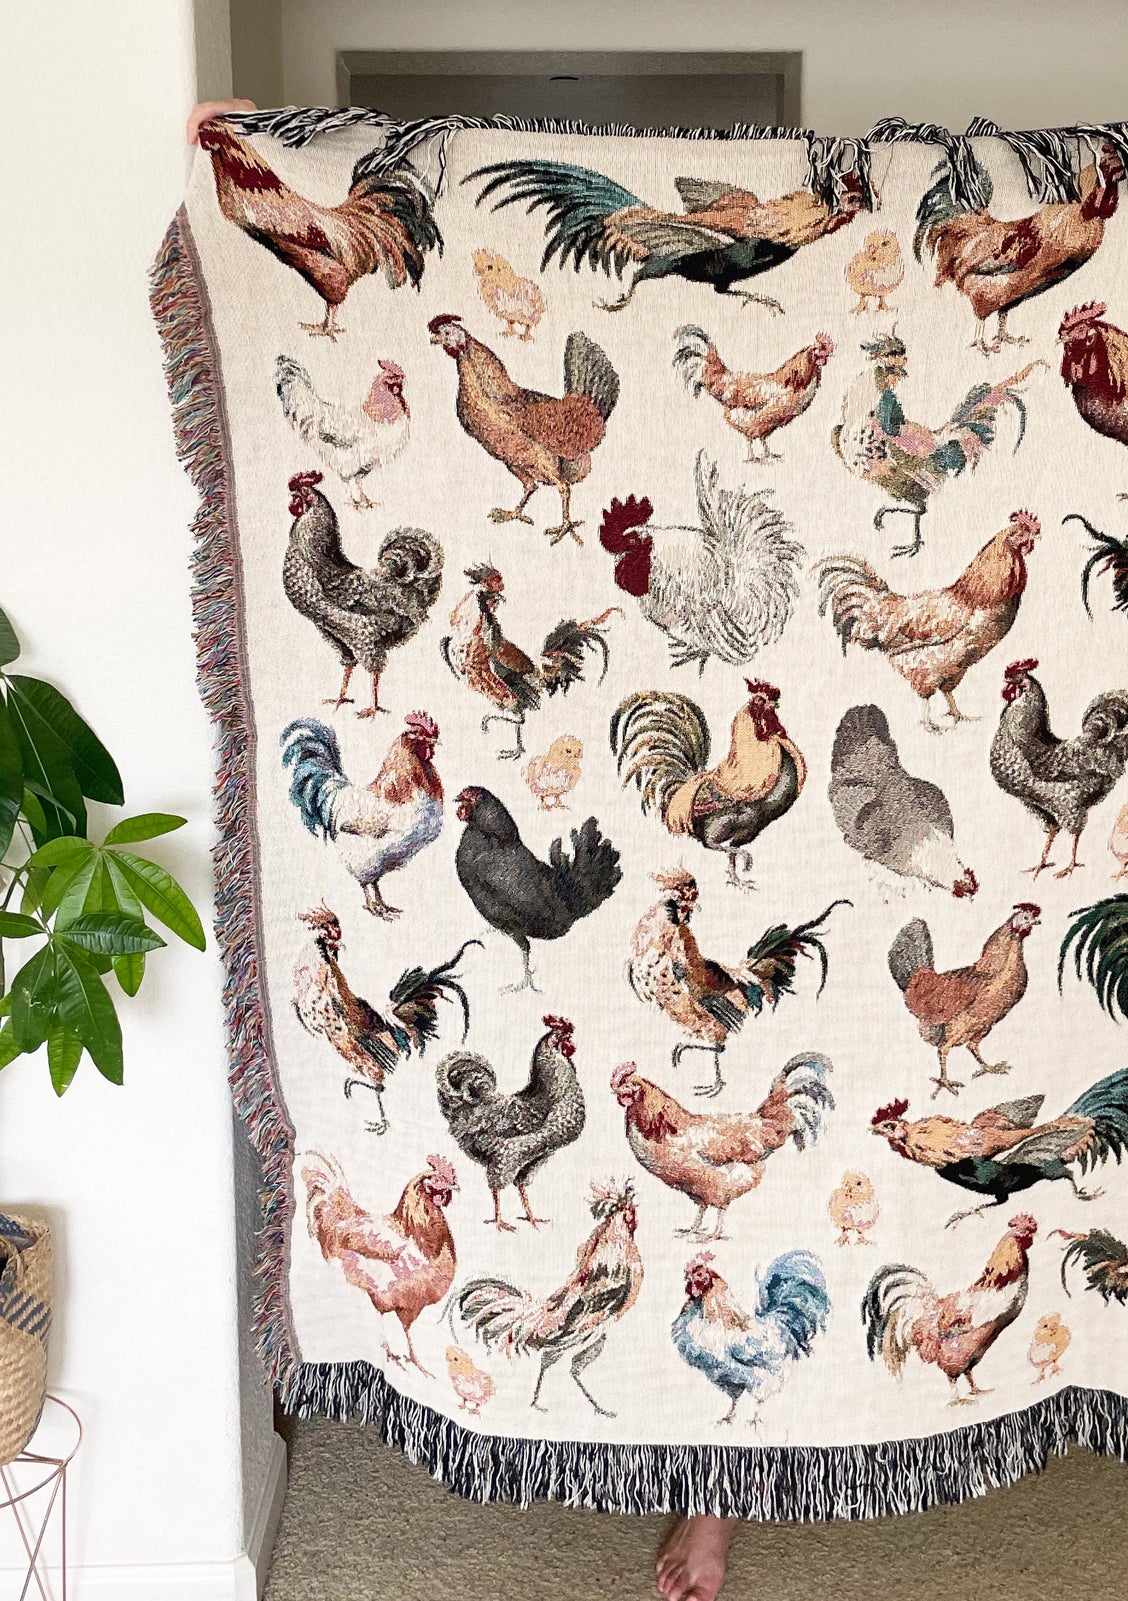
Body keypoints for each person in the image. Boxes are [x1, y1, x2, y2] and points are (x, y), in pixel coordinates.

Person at [184, 96, 739, 1601]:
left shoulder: (585, 446)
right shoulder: (471, 431)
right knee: (566, 1157)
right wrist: (252, 149)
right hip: (534, 886)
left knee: (676, 1171)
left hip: (595, 877)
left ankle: (711, 1495)